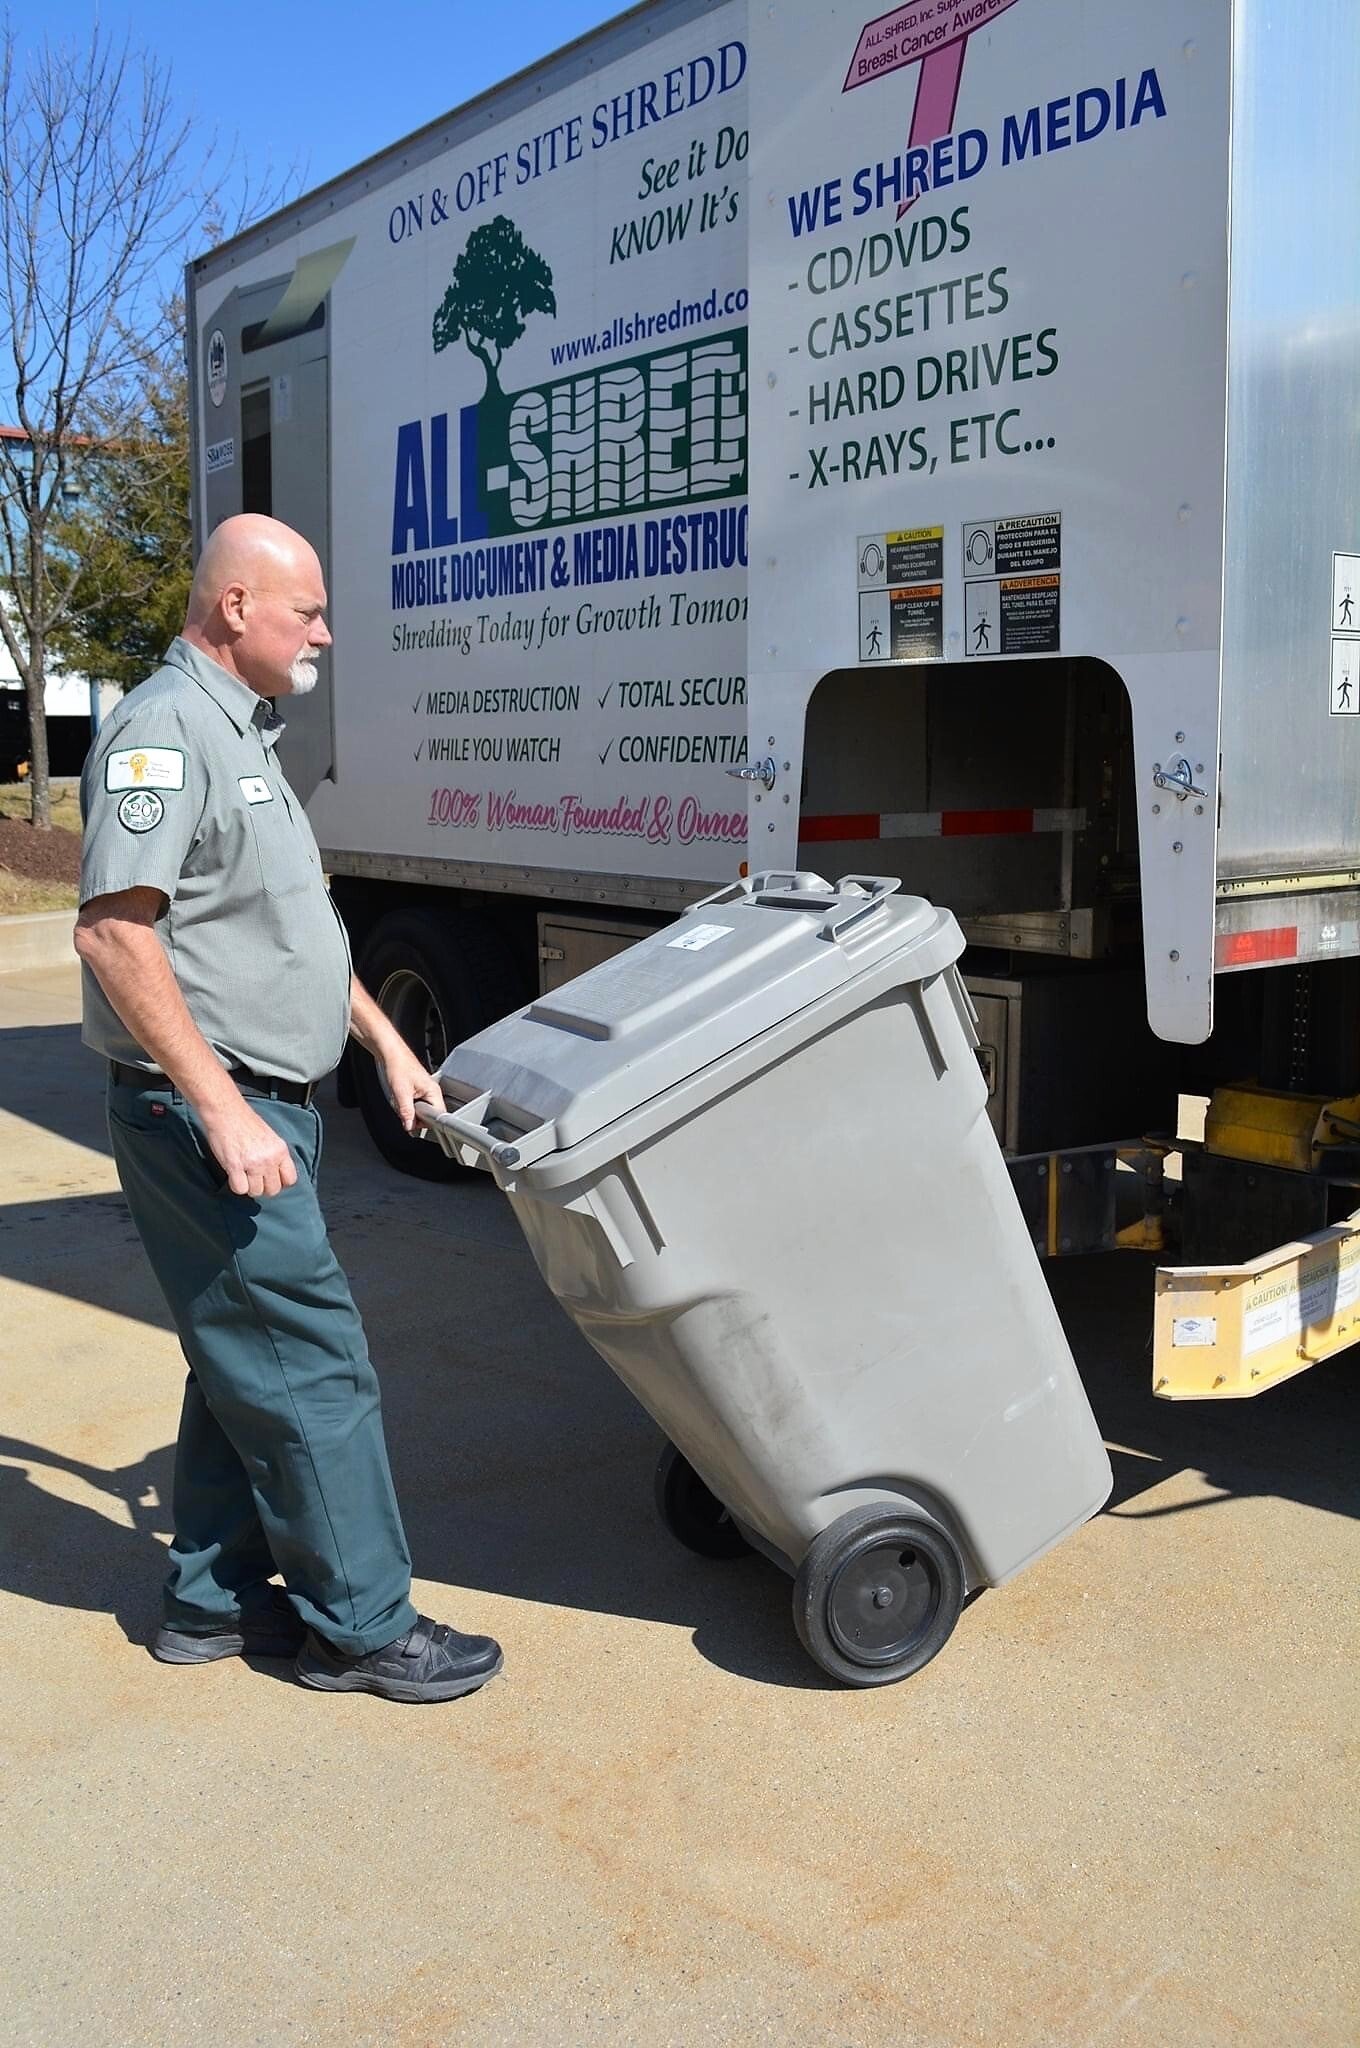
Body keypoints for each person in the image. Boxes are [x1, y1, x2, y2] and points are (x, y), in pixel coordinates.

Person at [75, 513, 502, 1705]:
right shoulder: (165, 729)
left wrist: (382, 1043)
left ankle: (209, 1603)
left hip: (269, 1102)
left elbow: (289, 930)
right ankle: (362, 1626)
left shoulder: (244, 736)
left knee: (242, 1359)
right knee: (315, 1364)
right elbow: (116, 930)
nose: (324, 629)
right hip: (208, 1113)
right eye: (306, 608)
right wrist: (222, 1108)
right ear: (234, 609)